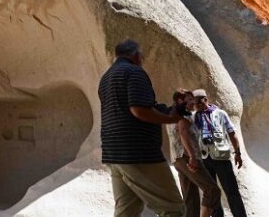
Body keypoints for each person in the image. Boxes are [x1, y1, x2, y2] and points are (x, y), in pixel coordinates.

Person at [98, 39, 185, 217]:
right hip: (138, 153)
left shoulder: (106, 77)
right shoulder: (134, 72)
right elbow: (138, 110)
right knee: (173, 208)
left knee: (127, 211)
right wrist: (170, 119)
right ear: (136, 56)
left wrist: (169, 109)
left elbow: (133, 108)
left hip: (114, 154)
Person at [193, 89, 247, 217]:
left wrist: (237, 153)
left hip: (221, 158)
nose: (197, 105)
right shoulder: (194, 116)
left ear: (206, 100)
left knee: (232, 191)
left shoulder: (220, 114)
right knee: (213, 194)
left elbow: (232, 133)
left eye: (199, 102)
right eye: (195, 103)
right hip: (205, 158)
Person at [167, 88, 221, 217]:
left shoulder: (171, 113)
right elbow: (183, 133)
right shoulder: (182, 114)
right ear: (180, 100)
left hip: (177, 158)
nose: (193, 102)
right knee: (212, 190)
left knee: (190, 198)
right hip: (186, 157)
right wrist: (192, 156)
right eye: (190, 99)